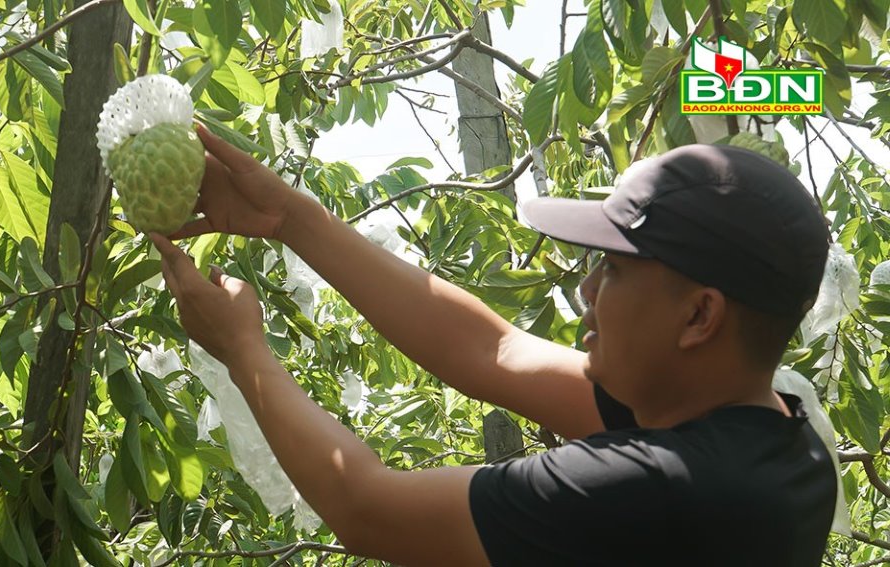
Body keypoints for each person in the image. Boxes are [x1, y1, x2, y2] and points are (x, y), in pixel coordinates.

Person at [150, 127, 837, 566]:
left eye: (616, 270)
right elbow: (493, 351)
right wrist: (289, 217)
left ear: (699, 316)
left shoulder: (647, 489)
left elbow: (364, 507)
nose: (587, 291)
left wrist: (242, 350)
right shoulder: (785, 445)